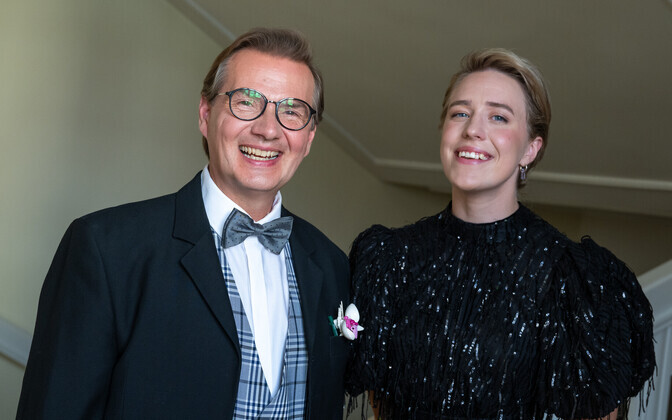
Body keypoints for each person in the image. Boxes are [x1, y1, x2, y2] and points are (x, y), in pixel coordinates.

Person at [18, 28, 351, 419]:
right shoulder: (106, 248)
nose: (268, 129)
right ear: (206, 115)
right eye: (246, 102)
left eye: (291, 111)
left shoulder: (333, 265)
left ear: (308, 138)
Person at [346, 48, 655, 419]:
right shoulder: (389, 259)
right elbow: (382, 402)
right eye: (460, 113)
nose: (473, 130)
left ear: (530, 149)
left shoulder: (570, 277)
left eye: (498, 117)